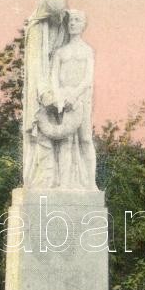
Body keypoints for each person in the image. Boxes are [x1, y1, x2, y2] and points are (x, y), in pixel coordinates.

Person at [22, 0, 68, 188]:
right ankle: (44, 181)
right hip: (42, 89)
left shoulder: (62, 25)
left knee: (62, 135)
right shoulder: (36, 29)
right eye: (54, 14)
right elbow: (35, 64)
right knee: (42, 134)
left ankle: (61, 180)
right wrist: (44, 93)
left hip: (60, 86)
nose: (58, 18)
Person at [50, 10, 97, 190]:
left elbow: (88, 78)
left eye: (77, 20)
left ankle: (91, 183)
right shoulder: (60, 52)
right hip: (63, 100)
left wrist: (74, 95)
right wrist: (59, 97)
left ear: (83, 25)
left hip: (81, 98)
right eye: (70, 20)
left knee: (85, 138)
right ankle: (64, 183)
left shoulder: (87, 51)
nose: (72, 23)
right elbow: (54, 78)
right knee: (65, 140)